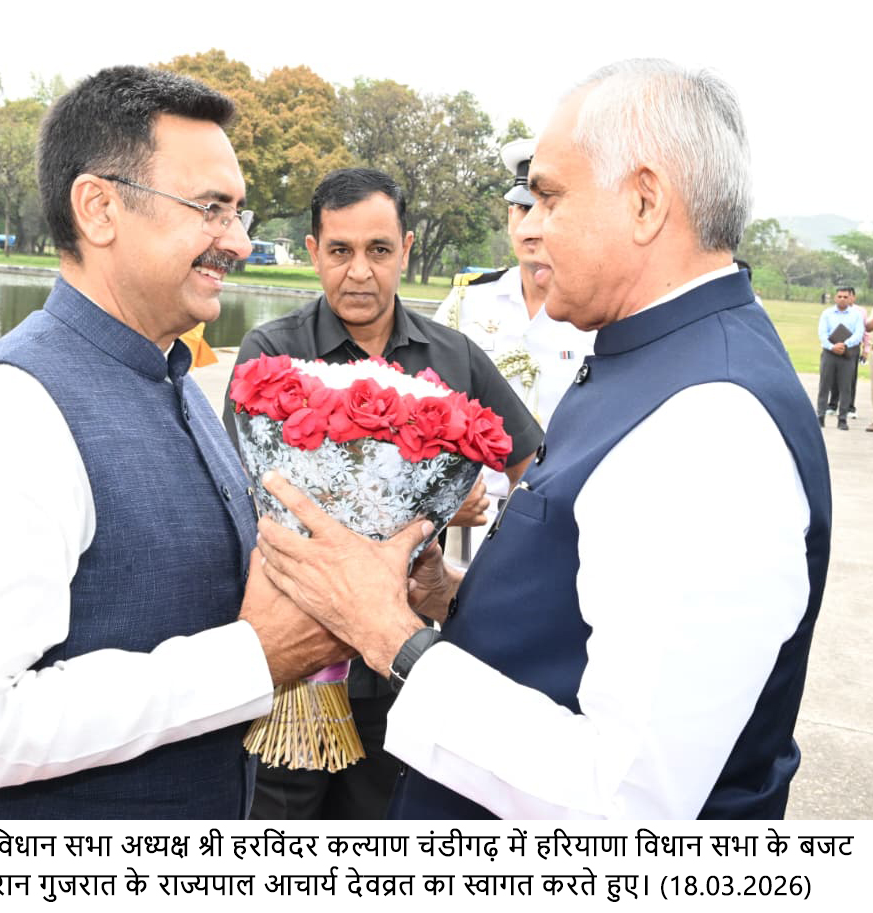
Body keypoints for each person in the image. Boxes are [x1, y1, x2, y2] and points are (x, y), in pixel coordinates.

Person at [255, 59, 831, 819]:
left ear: (645, 202)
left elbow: (629, 800)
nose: (526, 227)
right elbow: (589, 619)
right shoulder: (649, 355)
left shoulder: (711, 425)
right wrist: (452, 598)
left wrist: (389, 634)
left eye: (550, 198)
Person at [0, 65, 349, 820]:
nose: (237, 241)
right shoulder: (6, 414)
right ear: (99, 208)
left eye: (238, 213)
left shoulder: (175, 379)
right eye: (210, 208)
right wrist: (250, 658)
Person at [223, 167, 543, 819]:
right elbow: (247, 491)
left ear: (406, 249)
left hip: (399, 661)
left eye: (378, 250)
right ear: (313, 251)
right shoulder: (272, 354)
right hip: (294, 664)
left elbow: (535, 470)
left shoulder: (454, 357)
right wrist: (432, 504)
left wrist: (479, 549)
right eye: (340, 250)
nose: (360, 272)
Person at [434, 138, 595, 561]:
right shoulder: (468, 301)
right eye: (523, 209)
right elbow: (425, 400)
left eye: (548, 209)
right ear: (510, 216)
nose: (532, 225)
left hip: (562, 525)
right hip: (471, 523)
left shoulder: (596, 312)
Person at [816, 286, 865, 429]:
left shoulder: (856, 315)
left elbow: (858, 334)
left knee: (846, 387)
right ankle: (820, 416)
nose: (842, 299)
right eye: (839, 296)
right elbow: (822, 333)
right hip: (829, 353)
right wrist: (832, 346)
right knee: (824, 385)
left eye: (845, 297)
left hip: (847, 354)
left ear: (850, 298)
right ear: (835, 297)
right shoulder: (827, 313)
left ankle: (842, 419)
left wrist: (844, 344)